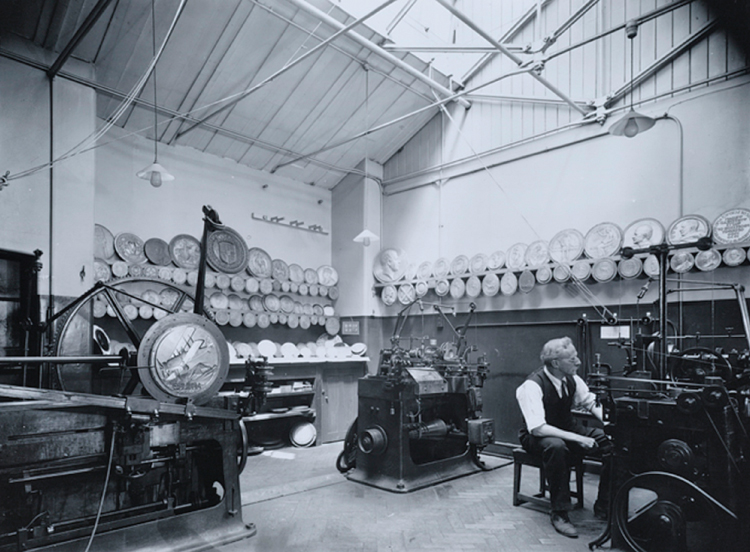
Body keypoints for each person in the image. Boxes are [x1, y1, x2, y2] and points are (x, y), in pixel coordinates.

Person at [516, 337, 612, 538]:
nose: (578, 362)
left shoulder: (573, 379)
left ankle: (604, 504)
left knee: (610, 441)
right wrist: (578, 439)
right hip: (536, 436)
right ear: (556, 363)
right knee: (556, 446)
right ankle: (559, 513)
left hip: (566, 429)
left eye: (576, 357)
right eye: (572, 359)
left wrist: (609, 423)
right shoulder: (531, 386)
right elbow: (538, 428)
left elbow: (590, 401)